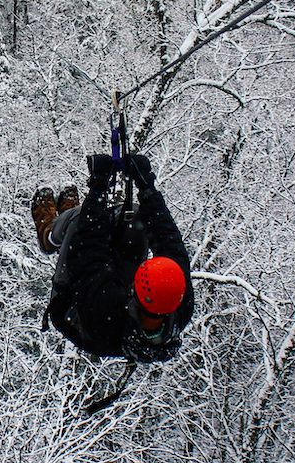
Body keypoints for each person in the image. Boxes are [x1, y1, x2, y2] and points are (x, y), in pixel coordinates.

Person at [33, 154, 193, 362]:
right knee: (134, 217)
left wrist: (98, 187)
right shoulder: (179, 303)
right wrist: (147, 186)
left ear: (137, 288)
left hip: (75, 307)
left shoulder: (105, 312)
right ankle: (72, 214)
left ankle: (50, 235)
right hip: (116, 298)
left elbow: (87, 248)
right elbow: (169, 241)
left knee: (80, 220)